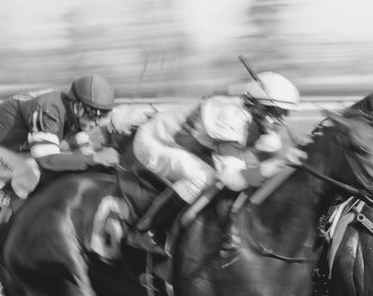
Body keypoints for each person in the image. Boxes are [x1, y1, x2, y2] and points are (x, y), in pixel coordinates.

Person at [126, 69, 305, 255]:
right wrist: (279, 162)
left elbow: (267, 159)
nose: (283, 120)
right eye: (280, 113)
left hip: (187, 145)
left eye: (286, 113)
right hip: (154, 142)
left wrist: (285, 157)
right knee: (202, 177)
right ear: (261, 109)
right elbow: (232, 179)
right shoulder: (230, 118)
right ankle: (147, 231)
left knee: (249, 170)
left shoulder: (258, 123)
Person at [0, 74, 135, 231]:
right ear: (78, 107)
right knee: (29, 174)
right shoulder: (51, 110)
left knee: (58, 169)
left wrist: (109, 161)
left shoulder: (72, 114)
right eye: (95, 115)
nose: (97, 122)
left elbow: (83, 155)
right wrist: (95, 158)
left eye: (103, 116)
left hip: (6, 145)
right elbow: (48, 160)